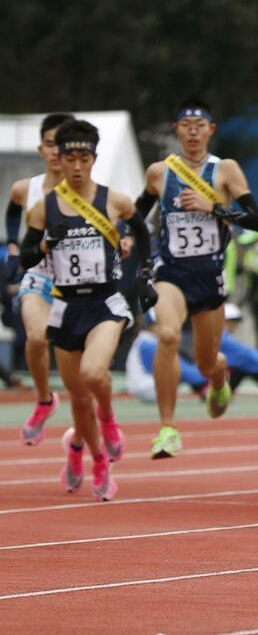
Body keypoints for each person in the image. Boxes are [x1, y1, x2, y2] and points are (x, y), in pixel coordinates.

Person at [18, 119, 153, 501]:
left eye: (84, 157)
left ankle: (108, 419)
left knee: (95, 374)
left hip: (105, 302)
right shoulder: (44, 209)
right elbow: (26, 259)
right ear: (58, 159)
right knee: (78, 398)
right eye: (69, 158)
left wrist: (144, 275)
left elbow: (142, 233)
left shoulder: (115, 200)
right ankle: (93, 458)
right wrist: (44, 247)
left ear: (94, 158)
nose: (76, 166)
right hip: (65, 305)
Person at [139, 99, 258, 458]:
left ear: (211, 130)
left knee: (208, 360)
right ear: (176, 129)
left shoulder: (225, 170)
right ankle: (166, 429)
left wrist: (214, 208)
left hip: (210, 277)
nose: (193, 130)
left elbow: (256, 219)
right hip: (172, 272)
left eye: (200, 124)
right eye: (185, 124)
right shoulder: (159, 173)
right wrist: (132, 238)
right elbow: (137, 213)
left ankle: (219, 375)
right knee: (166, 334)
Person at [8, 112, 74, 445]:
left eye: (61, 145)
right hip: (39, 274)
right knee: (35, 338)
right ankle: (45, 399)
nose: (54, 151)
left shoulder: (87, 192)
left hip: (77, 282)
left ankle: (96, 423)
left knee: (82, 366)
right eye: (49, 144)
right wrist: (12, 245)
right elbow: (12, 211)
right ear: (41, 148)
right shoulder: (26, 188)